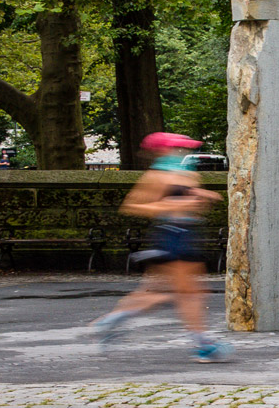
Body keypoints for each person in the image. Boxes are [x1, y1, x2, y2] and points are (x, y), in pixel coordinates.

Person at [90, 132, 234, 360]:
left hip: (187, 233)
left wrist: (202, 198)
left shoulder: (186, 174)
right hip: (172, 235)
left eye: (185, 148)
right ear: (164, 150)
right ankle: (202, 344)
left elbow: (191, 206)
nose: (184, 152)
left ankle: (114, 319)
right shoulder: (156, 175)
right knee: (189, 293)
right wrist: (168, 205)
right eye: (179, 148)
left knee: (170, 292)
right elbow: (133, 206)